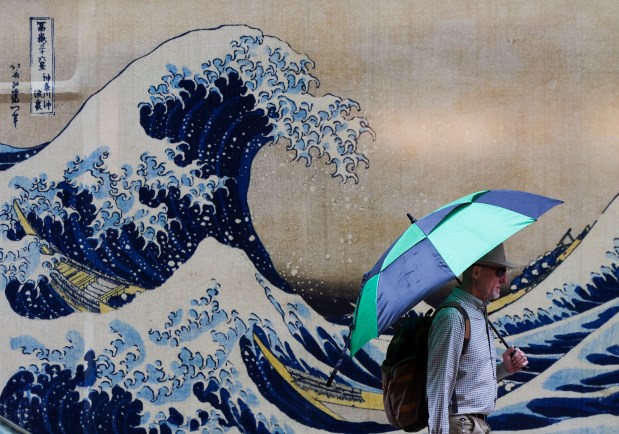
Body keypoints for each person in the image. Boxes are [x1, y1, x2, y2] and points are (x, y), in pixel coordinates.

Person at [426, 243, 529, 434]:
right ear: (476, 272)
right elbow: (439, 385)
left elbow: (469, 383)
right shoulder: (453, 317)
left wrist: (506, 368)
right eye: (500, 271)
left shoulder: (476, 313)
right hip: (461, 426)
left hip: (473, 426)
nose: (505, 279)